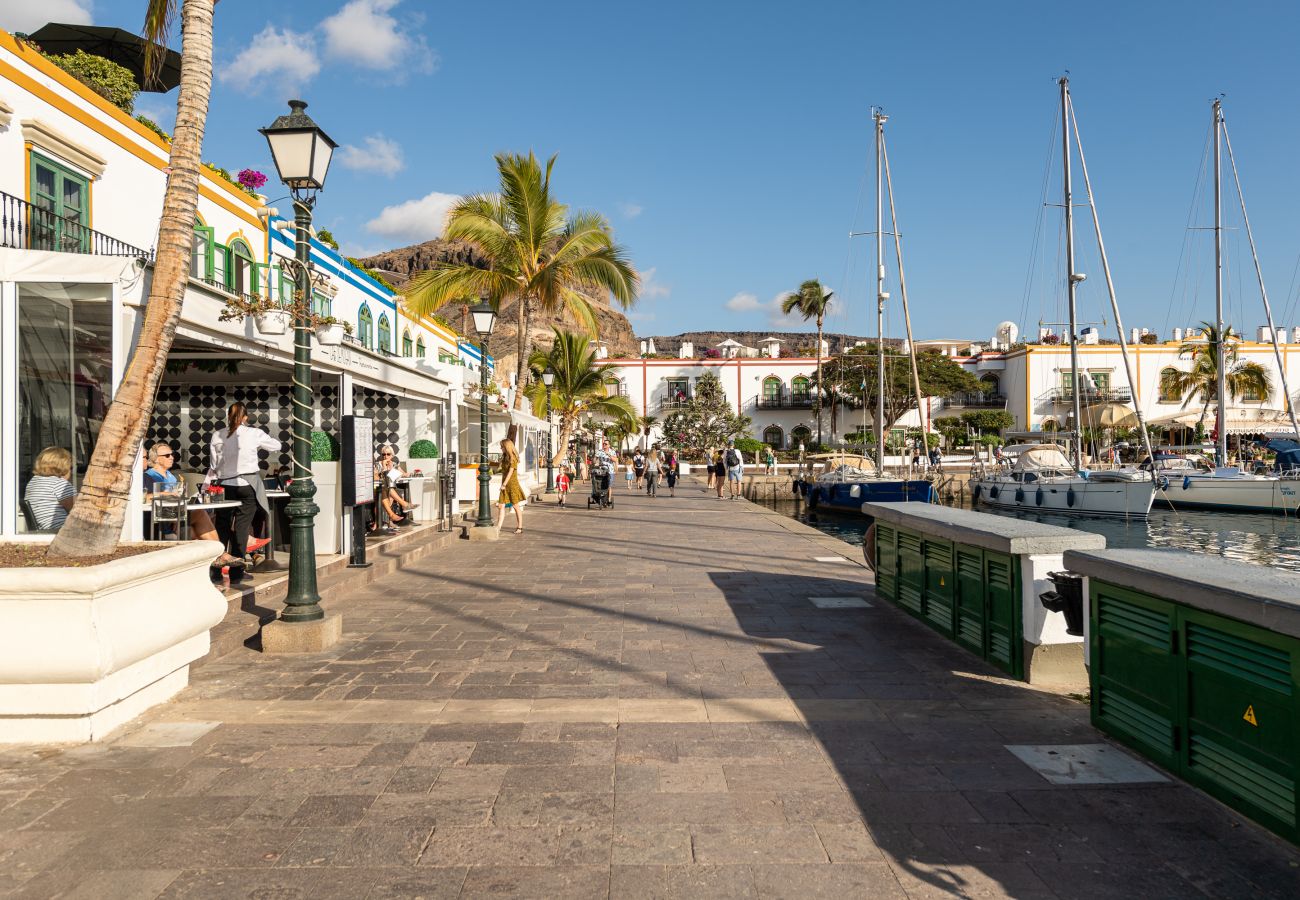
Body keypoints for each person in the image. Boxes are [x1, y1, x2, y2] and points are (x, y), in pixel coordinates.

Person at [208, 401, 282, 563]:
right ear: (246, 417)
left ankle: (219, 561)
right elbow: (276, 445)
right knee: (242, 525)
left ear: (228, 417)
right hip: (247, 484)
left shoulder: (217, 435)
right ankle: (238, 563)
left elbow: (213, 465)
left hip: (224, 485)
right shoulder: (254, 433)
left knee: (222, 523)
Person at [142, 442, 238, 560]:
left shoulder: (170, 476)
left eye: (172, 454)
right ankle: (221, 555)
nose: (172, 457)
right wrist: (167, 496)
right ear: (156, 459)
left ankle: (216, 559)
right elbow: (147, 497)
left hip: (174, 515)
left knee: (208, 518)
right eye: (167, 455)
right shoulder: (150, 476)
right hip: (161, 519)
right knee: (200, 513)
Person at [23, 446, 75, 532]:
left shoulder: (33, 482)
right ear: (63, 466)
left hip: (44, 530)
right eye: (71, 467)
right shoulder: (60, 484)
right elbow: (80, 512)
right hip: (62, 532)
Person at [375, 444, 418, 526]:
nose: (385, 456)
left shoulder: (394, 464)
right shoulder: (378, 464)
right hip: (377, 489)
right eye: (383, 454)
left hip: (388, 489)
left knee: (389, 493)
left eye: (388, 454)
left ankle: (389, 520)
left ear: (392, 455)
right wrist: (384, 467)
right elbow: (375, 477)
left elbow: (404, 474)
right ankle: (404, 505)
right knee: (388, 491)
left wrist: (412, 473)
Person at [496, 437, 526, 535]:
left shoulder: (513, 458)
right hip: (504, 484)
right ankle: (498, 527)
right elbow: (502, 469)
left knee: (516, 506)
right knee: (501, 506)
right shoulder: (505, 457)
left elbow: (510, 472)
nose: (501, 448)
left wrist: (504, 484)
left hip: (511, 484)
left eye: (502, 447)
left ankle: (520, 527)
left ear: (506, 447)